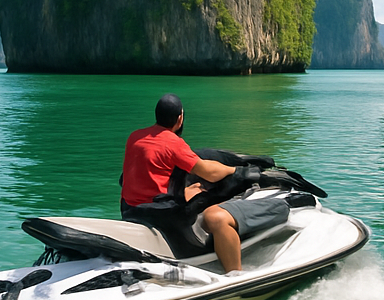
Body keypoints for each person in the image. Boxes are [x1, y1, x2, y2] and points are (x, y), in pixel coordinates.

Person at [120, 93, 286, 274]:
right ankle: (235, 272)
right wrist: (235, 171)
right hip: (167, 220)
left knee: (196, 187)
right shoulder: (174, 143)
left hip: (134, 211)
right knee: (216, 213)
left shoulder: (134, 138)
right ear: (180, 118)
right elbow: (210, 173)